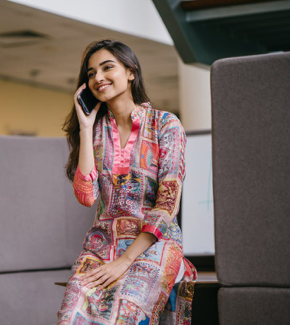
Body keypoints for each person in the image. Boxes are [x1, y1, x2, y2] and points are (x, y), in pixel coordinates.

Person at [58, 39, 196, 325]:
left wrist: (125, 261)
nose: (98, 78)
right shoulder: (94, 133)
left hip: (153, 243)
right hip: (102, 244)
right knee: (70, 316)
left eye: (108, 67)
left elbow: (167, 205)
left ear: (131, 72)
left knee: (125, 315)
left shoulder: (165, 124)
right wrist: (85, 128)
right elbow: (86, 197)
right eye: (91, 73)